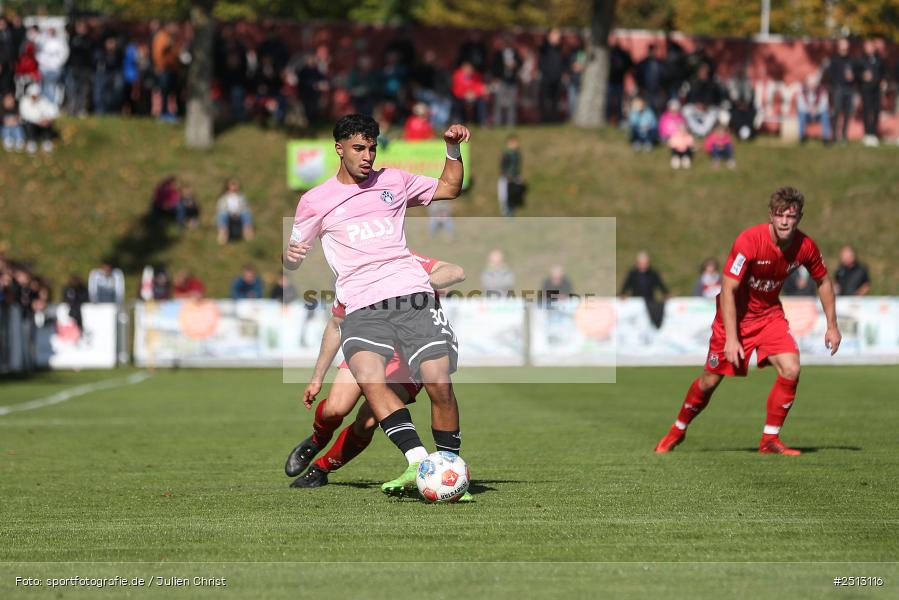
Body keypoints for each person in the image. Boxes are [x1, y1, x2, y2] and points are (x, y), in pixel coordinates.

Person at [283, 113, 470, 496]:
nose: (367, 156)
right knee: (339, 406)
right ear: (339, 149)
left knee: (427, 392)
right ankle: (321, 438)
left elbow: (450, 189)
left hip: (409, 299)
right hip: (365, 307)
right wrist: (291, 255)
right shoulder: (314, 200)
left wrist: (451, 148)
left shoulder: (394, 182)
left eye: (372, 147)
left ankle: (439, 467)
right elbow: (293, 258)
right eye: (358, 148)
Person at [655, 187, 841, 455]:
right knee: (709, 381)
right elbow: (728, 289)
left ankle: (769, 441)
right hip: (735, 317)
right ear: (771, 216)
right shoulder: (749, 241)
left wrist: (832, 326)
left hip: (769, 316)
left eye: (791, 215)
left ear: (800, 217)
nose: (785, 221)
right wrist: (732, 337)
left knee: (792, 369)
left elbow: (823, 280)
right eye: (780, 215)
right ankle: (677, 430)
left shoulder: (805, 246)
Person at [285, 251, 466, 492]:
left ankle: (321, 468)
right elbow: (336, 325)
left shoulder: (404, 260)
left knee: (368, 420)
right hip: (369, 344)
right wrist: (317, 377)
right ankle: (318, 439)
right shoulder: (355, 274)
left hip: (409, 356)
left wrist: (415, 284)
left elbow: (455, 271)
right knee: (335, 409)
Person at [620, 250, 669, 329]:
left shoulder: (653, 273)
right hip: (636, 303)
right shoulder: (632, 274)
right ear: (637, 263)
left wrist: (666, 294)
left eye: (645, 263)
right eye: (641, 263)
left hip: (649, 302)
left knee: (649, 324)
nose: (644, 265)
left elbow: (661, 285)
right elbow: (626, 286)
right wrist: (622, 294)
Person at [858, 39, 886, 147]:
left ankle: (873, 134)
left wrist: (884, 80)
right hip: (866, 89)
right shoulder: (861, 60)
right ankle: (867, 134)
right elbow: (856, 73)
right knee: (867, 111)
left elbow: (884, 72)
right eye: (867, 47)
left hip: (877, 89)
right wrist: (862, 76)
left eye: (871, 47)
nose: (869, 49)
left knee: (876, 111)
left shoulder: (880, 59)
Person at [828, 38, 855, 144]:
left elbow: (856, 75)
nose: (844, 46)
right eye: (842, 44)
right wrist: (838, 83)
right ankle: (834, 136)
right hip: (838, 89)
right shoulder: (834, 60)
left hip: (849, 90)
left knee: (847, 114)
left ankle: (844, 136)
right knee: (836, 113)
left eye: (846, 44)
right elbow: (830, 76)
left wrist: (852, 77)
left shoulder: (851, 60)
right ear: (839, 46)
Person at [19, 83, 58, 154]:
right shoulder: (24, 101)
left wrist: (49, 119)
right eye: (33, 96)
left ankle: (47, 141)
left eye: (37, 95)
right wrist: (39, 121)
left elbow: (52, 111)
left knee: (48, 124)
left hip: (42, 124)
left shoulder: (43, 101)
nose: (35, 97)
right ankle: (31, 142)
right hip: (29, 124)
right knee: (29, 124)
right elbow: (25, 116)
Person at [216, 178, 254, 244]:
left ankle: (248, 233)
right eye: (232, 185)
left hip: (239, 214)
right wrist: (230, 213)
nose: (234, 187)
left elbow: (245, 207)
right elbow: (220, 208)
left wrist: (238, 213)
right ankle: (223, 235)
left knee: (246, 213)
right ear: (228, 186)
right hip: (227, 214)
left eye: (235, 185)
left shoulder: (241, 197)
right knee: (222, 214)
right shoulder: (224, 197)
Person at [797, 74, 831, 143]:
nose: (812, 86)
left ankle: (826, 138)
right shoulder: (802, 91)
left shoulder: (822, 91)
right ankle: (802, 136)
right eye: (810, 84)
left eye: (814, 84)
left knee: (825, 114)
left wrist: (816, 109)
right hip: (807, 114)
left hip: (818, 113)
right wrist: (809, 109)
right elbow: (800, 106)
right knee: (801, 114)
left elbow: (824, 105)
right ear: (807, 84)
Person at [497, 133, 523, 217]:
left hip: (514, 178)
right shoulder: (507, 154)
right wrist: (507, 176)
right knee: (505, 197)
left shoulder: (516, 153)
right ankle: (506, 214)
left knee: (513, 197)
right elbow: (503, 166)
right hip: (507, 179)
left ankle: (511, 212)